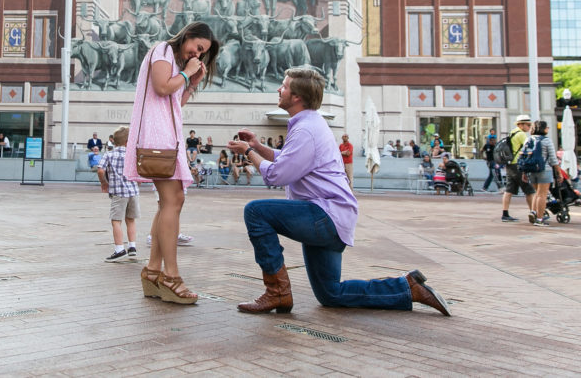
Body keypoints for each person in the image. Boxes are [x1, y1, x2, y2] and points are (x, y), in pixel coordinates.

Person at [228, 67, 449, 316]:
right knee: (330, 293)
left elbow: (276, 175)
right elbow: (287, 160)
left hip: (324, 216)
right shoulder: (310, 124)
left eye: (284, 86)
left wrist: (248, 152)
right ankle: (407, 288)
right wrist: (258, 146)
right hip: (333, 217)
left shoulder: (306, 129)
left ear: (297, 96)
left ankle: (277, 292)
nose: (279, 89)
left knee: (256, 212)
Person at [123, 21, 219, 306]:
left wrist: (191, 82)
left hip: (166, 134)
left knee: (170, 201)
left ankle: (154, 273)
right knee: (173, 200)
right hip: (157, 137)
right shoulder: (163, 50)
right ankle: (171, 276)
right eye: (197, 47)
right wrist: (187, 73)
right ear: (188, 35)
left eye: (202, 54)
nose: (197, 55)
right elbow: (162, 87)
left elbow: (174, 101)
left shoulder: (174, 60)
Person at [97, 126, 139, 262]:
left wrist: (104, 183)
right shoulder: (133, 155)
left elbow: (100, 170)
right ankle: (132, 247)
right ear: (128, 142)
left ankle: (119, 249)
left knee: (116, 221)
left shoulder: (109, 154)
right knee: (130, 219)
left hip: (118, 192)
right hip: (133, 192)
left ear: (114, 142)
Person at [525, 120, 559, 227]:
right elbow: (553, 159)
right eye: (547, 127)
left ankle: (533, 211)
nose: (548, 129)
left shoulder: (529, 139)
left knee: (536, 193)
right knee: (542, 195)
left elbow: (524, 156)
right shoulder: (547, 141)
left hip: (531, 169)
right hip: (544, 169)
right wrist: (559, 172)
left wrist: (524, 172)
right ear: (543, 129)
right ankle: (539, 219)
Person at [501, 115, 535, 222]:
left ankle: (505, 214)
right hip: (518, 165)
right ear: (521, 124)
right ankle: (534, 213)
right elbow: (529, 149)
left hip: (510, 164)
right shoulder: (521, 134)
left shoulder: (512, 132)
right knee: (529, 190)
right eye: (528, 125)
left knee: (509, 190)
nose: (529, 127)